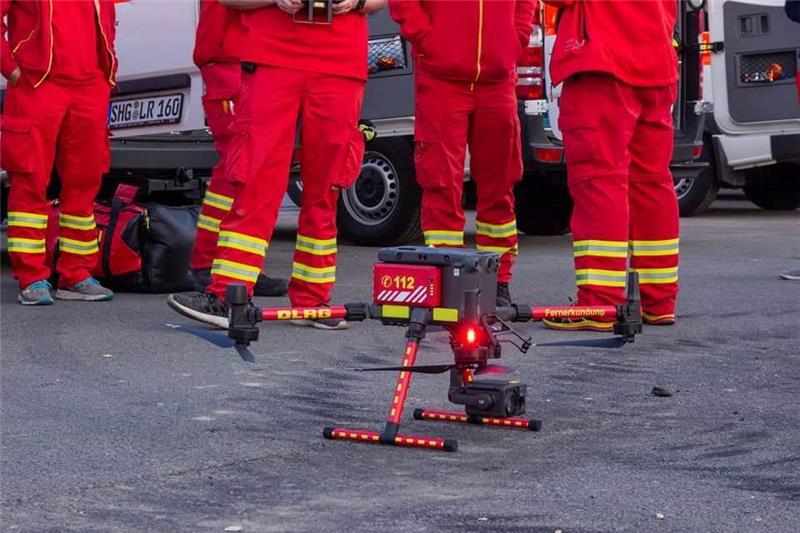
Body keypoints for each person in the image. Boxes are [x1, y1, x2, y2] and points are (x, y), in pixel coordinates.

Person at [168, 0, 386, 330]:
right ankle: (229, 295)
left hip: (340, 63)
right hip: (273, 57)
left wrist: (354, 2)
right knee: (256, 180)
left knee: (327, 186)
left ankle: (314, 299)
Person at [540, 0, 681, 331]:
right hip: (655, 62)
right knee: (652, 182)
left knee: (599, 180)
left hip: (602, 63)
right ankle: (657, 300)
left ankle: (600, 301)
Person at [389, 0, 537, 307]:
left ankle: (498, 282)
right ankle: (444, 281)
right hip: (441, 79)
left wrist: (515, 39)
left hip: (497, 81)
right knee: (441, 183)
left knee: (500, 188)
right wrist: (427, 39)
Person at [1, 0, 117, 305]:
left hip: (90, 86)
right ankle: (31, 276)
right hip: (38, 85)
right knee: (30, 179)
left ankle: (76, 273)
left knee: (86, 181)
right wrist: (11, 69)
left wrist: (106, 69)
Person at [190, 0, 288, 297]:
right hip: (230, 60)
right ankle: (210, 263)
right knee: (238, 169)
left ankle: (235, 266)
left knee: (242, 169)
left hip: (246, 60)